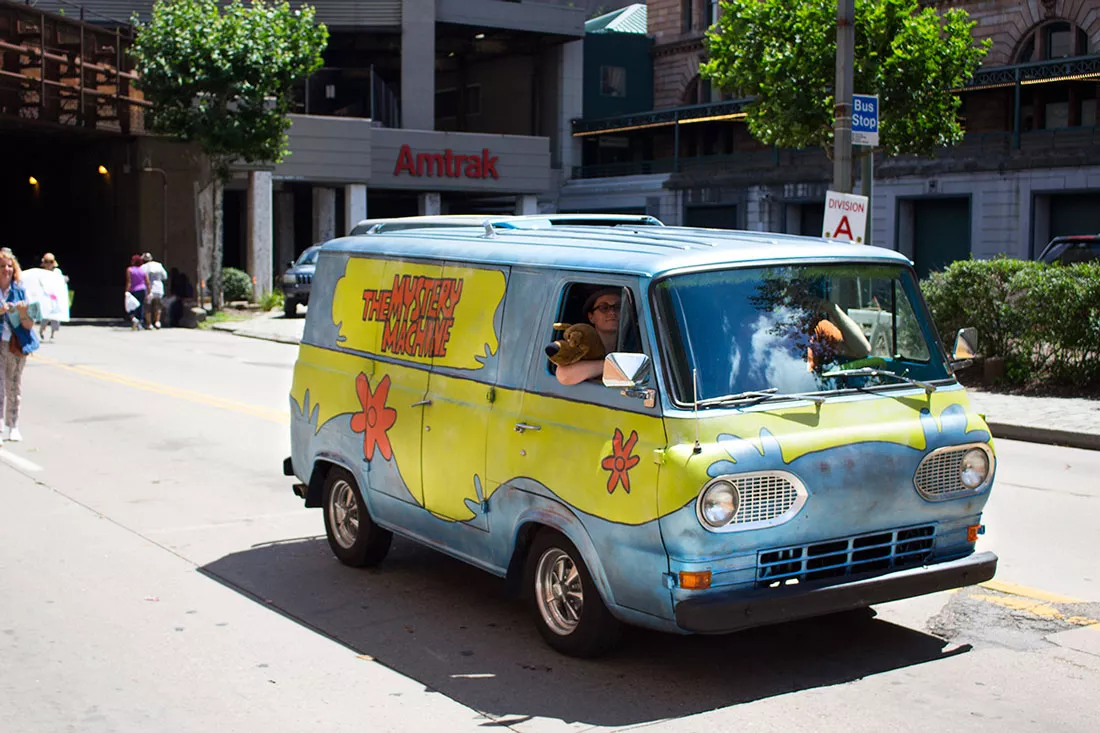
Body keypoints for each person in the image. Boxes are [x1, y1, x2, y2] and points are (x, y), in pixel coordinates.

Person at [0, 249, 40, 445]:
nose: (6, 270)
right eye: (2, 266)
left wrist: (23, 313)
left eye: (9, 266)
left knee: (14, 385)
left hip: (15, 344)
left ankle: (13, 426)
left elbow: (30, 324)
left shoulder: (21, 291)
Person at [555, 287, 621, 385]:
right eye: (604, 308)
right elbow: (564, 376)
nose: (612, 312)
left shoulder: (638, 343)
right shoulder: (582, 342)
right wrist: (614, 366)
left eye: (618, 307)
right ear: (591, 317)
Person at [37, 252, 67, 340]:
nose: (49, 264)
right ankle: (42, 330)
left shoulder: (57, 272)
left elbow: (61, 282)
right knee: (45, 316)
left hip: (55, 297)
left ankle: (52, 334)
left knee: (55, 316)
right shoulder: (41, 272)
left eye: (51, 262)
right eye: (46, 262)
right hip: (46, 296)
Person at [141, 252, 168, 329]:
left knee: (148, 306)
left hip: (148, 289)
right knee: (158, 305)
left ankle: (149, 324)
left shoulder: (143, 267)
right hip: (158, 288)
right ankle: (157, 322)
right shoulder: (159, 265)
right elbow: (164, 276)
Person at [126, 254, 150, 330]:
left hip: (133, 290)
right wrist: (149, 292)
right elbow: (147, 282)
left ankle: (133, 318)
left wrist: (126, 291)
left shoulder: (130, 269)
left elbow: (129, 282)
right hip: (142, 289)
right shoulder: (143, 270)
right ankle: (140, 323)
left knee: (130, 306)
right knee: (140, 306)